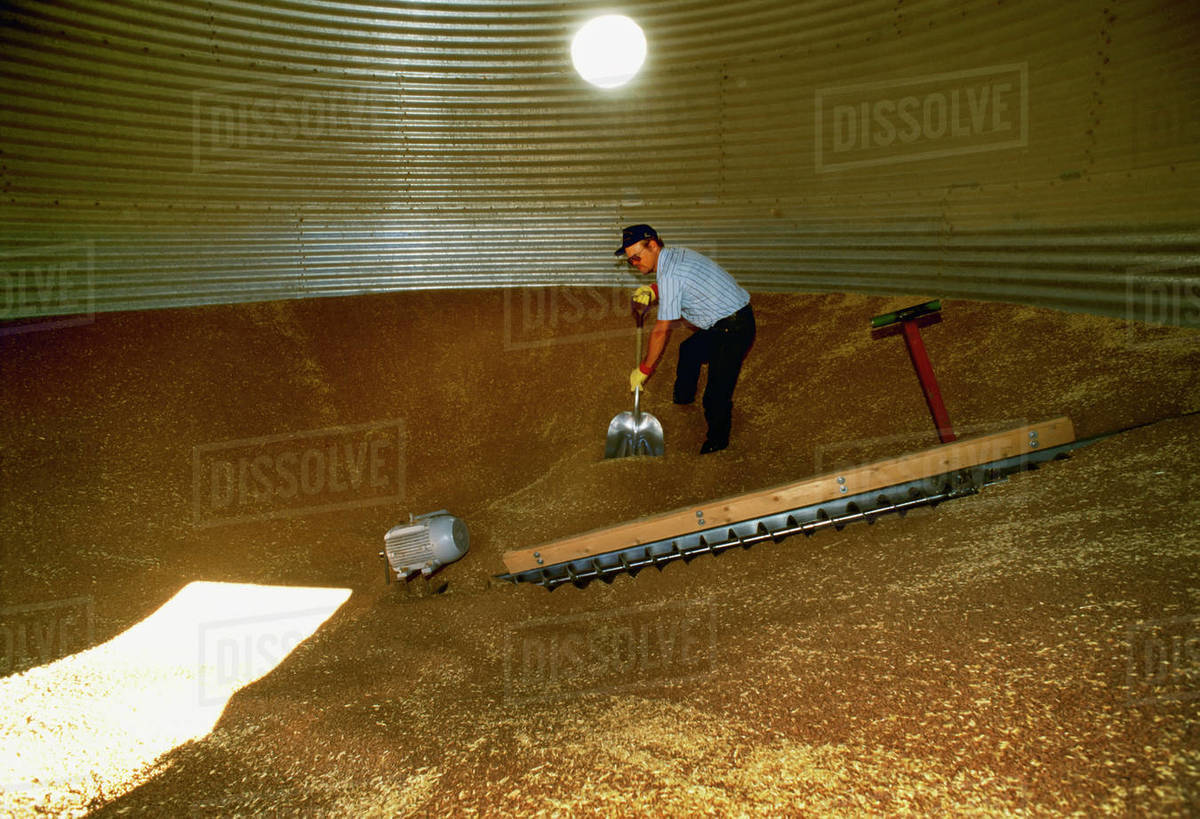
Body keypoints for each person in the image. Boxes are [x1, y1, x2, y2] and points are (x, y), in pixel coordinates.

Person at [616, 224, 756, 454]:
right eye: (630, 261)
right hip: (725, 319)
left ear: (653, 245)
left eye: (636, 258)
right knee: (689, 350)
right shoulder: (674, 256)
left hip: (734, 329)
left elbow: (661, 331)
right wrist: (654, 289)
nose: (635, 264)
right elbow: (683, 280)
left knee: (715, 397)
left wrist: (645, 369)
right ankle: (683, 398)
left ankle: (718, 441)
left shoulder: (671, 274)